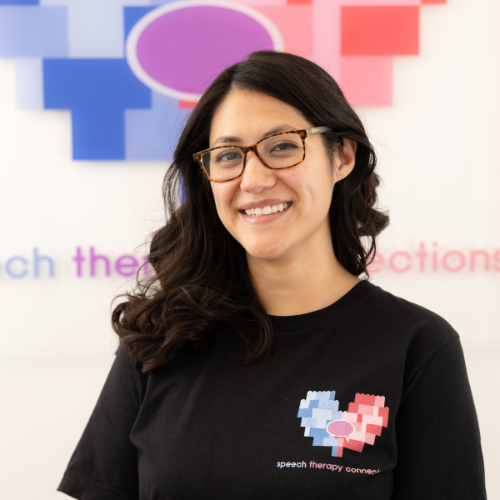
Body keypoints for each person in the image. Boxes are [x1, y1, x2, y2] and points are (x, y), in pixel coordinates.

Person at [57, 51, 486, 500]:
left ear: (342, 156)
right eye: (228, 155)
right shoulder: (159, 338)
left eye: (282, 146)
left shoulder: (416, 346)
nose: (253, 180)